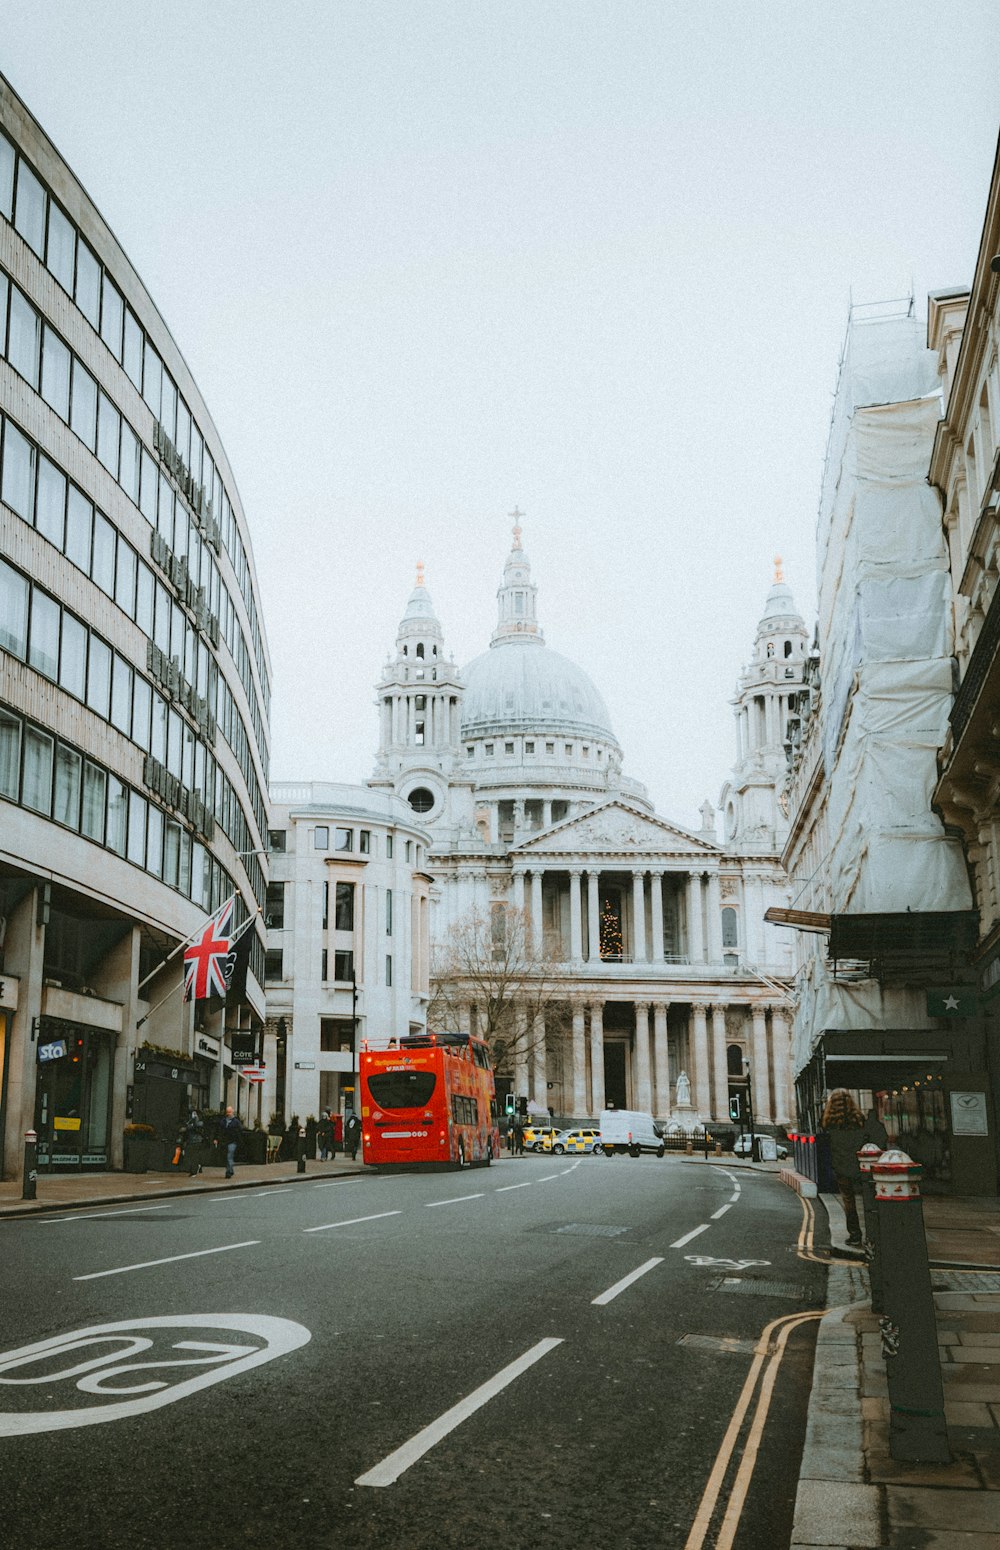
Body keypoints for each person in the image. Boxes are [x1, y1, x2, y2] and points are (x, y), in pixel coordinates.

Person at [820, 1089, 866, 1245]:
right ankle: (874, 1233)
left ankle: (855, 1235)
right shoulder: (859, 1120)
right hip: (860, 1165)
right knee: (868, 1199)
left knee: (849, 1201)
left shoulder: (829, 1123)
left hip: (841, 1167)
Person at [220, 1104, 242, 1179]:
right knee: (227, 1157)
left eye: (230, 1112)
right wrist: (217, 1139)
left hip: (233, 1141)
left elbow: (240, 1132)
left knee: (229, 1156)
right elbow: (219, 1130)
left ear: (232, 1112)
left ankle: (228, 1172)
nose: (228, 1113)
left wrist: (238, 1141)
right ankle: (231, 1170)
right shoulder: (223, 1121)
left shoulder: (236, 1122)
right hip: (225, 1141)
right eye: (227, 1112)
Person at [183, 1108, 205, 1176]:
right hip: (190, 1140)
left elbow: (196, 1126)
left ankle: (194, 1170)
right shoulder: (190, 1121)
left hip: (197, 1140)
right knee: (191, 1155)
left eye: (195, 1114)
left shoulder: (200, 1122)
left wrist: (195, 1119)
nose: (193, 1115)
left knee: (194, 1156)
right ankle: (197, 1167)